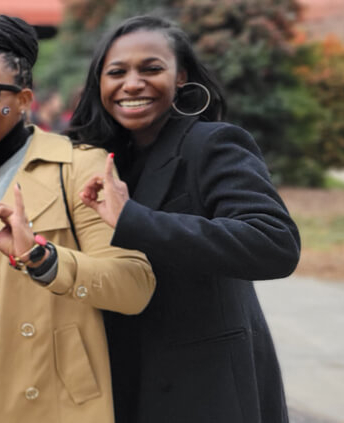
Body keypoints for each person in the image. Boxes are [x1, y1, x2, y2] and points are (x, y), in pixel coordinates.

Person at [66, 15, 300, 423]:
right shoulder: (100, 162)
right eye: (116, 72)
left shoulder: (212, 143)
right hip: (122, 386)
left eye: (151, 68)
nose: (132, 83)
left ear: (181, 78)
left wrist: (135, 219)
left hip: (206, 391)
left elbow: (275, 243)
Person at [0, 15, 156, 423]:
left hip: (52, 402)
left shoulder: (77, 167)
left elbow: (135, 285)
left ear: (24, 101)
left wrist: (42, 259)